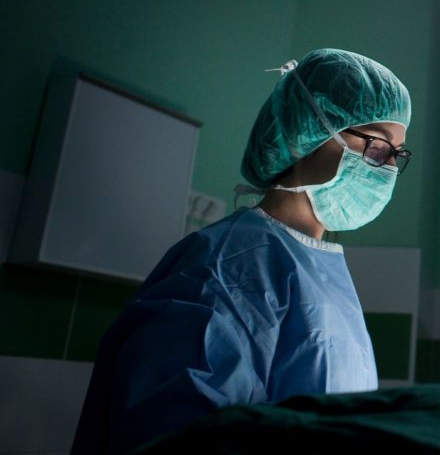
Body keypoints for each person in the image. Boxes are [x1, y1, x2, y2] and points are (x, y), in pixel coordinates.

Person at [72, 49, 412, 454]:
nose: (388, 165)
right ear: (310, 131)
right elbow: (177, 436)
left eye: (397, 154)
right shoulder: (223, 268)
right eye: (377, 145)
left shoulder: (324, 274)